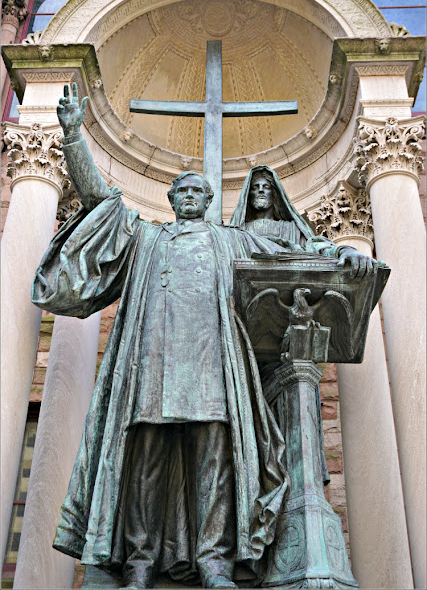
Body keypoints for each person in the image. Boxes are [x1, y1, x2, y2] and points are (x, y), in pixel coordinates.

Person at [32, 85, 292, 589]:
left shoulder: (232, 240)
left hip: (213, 366)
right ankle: (139, 561)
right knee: (144, 465)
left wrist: (342, 253)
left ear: (209, 201)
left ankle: (216, 561)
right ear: (171, 200)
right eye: (182, 191)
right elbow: (97, 201)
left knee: (215, 462)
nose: (190, 197)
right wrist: (71, 137)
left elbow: (289, 252)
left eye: (198, 192)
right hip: (151, 365)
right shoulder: (145, 237)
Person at [229, 165, 378, 485]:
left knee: (289, 418)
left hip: (286, 341)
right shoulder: (234, 237)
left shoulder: (290, 232)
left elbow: (317, 246)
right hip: (241, 349)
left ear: (276, 194)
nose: (260, 192)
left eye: (266, 187)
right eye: (254, 187)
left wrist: (346, 249)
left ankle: (293, 485)